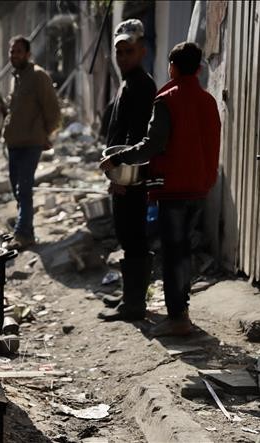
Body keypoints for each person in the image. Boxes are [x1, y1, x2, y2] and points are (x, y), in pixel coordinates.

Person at [100, 42, 221, 337]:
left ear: (172, 67)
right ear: (200, 69)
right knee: (182, 252)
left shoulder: (166, 100)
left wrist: (117, 158)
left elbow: (151, 145)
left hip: (174, 188)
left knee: (173, 254)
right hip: (199, 187)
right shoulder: (208, 100)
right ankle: (181, 311)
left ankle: (178, 316)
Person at [97, 19, 157, 322]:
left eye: (128, 51)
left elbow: (139, 140)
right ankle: (129, 297)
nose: (123, 57)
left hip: (131, 178)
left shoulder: (143, 85)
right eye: (119, 52)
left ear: (142, 51)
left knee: (133, 238)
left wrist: (121, 174)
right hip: (122, 173)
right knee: (126, 236)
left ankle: (134, 305)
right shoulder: (127, 83)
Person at [2, 35, 61, 250]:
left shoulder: (38, 76)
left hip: (31, 143)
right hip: (14, 142)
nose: (14, 55)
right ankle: (27, 229)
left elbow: (53, 110)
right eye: (12, 51)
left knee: (24, 187)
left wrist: (45, 134)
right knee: (17, 189)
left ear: (28, 54)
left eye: (18, 51)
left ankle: (23, 232)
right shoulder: (15, 77)